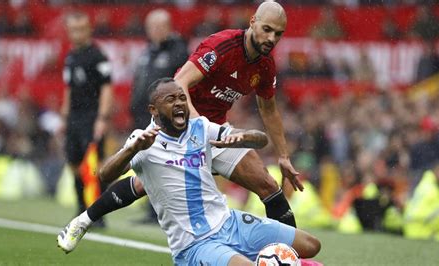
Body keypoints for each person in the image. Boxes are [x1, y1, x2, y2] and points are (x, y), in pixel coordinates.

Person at [58, 0, 302, 250]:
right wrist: (197, 128)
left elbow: (269, 108)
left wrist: (283, 155)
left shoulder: (265, 65)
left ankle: (291, 256)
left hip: (214, 130)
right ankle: (82, 221)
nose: (272, 38)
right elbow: (180, 82)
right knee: (143, 185)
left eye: (278, 34)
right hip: (175, 124)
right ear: (253, 22)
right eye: (267, 29)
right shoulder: (222, 46)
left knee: (268, 186)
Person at [58, 78, 321, 265]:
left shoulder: (201, 127)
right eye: (170, 99)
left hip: (229, 223)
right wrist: (131, 150)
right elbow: (103, 175)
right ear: (154, 109)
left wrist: (242, 137)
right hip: (195, 245)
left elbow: (260, 139)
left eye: (182, 97)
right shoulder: (143, 140)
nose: (180, 103)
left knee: (311, 246)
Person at [130, 9, 188, 223]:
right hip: (143, 115)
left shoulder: (179, 51)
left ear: (167, 27)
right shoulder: (148, 51)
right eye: (150, 27)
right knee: (147, 163)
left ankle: (165, 210)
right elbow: (139, 82)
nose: (153, 31)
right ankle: (151, 209)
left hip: (165, 119)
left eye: (157, 27)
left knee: (165, 163)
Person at [60, 11, 113, 220]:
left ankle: (98, 214)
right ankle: (81, 207)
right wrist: (64, 117)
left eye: (80, 29)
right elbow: (68, 88)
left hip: (92, 116)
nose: (76, 34)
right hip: (74, 117)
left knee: (94, 165)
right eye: (73, 30)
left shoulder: (98, 55)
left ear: (89, 29)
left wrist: (102, 118)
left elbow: (107, 88)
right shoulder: (71, 57)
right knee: (73, 162)